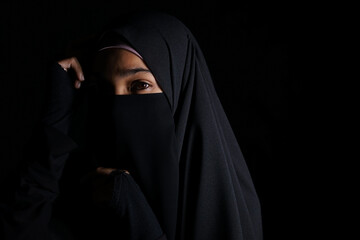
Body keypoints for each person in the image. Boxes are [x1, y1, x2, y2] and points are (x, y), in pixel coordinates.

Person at [0, 11, 263, 240]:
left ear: (180, 92)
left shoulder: (229, 209)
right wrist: (57, 114)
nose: (117, 108)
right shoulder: (90, 186)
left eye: (140, 85)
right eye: (103, 89)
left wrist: (137, 217)